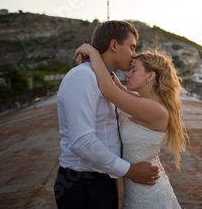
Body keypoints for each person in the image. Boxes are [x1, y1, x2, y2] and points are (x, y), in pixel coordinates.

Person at [54, 21, 159, 209]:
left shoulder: (104, 79)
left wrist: (94, 54)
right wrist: (129, 170)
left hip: (102, 180)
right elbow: (81, 140)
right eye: (132, 47)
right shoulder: (83, 77)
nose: (134, 54)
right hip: (83, 185)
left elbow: (126, 94)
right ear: (113, 45)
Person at [74, 43, 189, 209]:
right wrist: (107, 64)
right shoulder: (147, 102)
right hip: (139, 188)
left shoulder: (154, 109)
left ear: (150, 76)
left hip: (149, 196)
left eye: (134, 70)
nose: (127, 74)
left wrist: (92, 52)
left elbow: (108, 88)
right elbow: (115, 84)